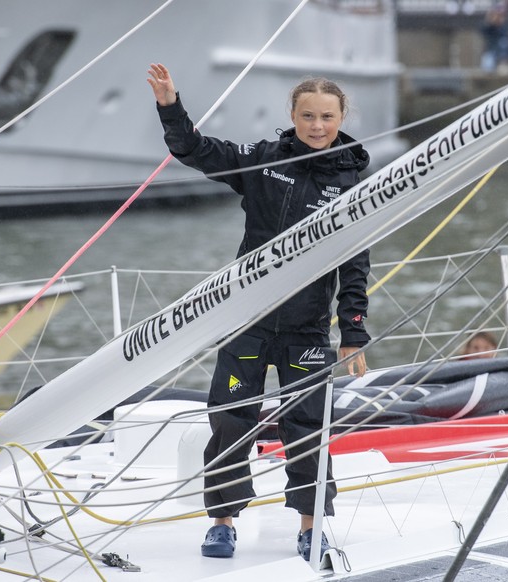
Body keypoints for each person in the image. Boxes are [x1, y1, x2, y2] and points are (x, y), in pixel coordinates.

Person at [147, 63, 370, 561]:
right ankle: (223, 522)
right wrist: (170, 105)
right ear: (292, 115)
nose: (317, 126)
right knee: (230, 421)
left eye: (326, 117)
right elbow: (196, 151)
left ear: (340, 118)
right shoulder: (263, 160)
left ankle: (311, 527)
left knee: (308, 426)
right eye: (307, 115)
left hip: (306, 328)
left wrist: (353, 329)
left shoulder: (353, 179)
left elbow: (356, 263)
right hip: (244, 320)